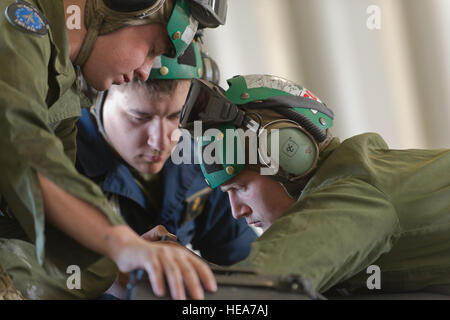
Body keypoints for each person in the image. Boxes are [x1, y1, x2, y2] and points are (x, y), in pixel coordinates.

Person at [0, 0, 227, 300]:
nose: (146, 71)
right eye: (152, 50)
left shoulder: (62, 90)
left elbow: (38, 220)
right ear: (126, 5)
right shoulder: (17, 23)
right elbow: (21, 143)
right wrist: (123, 244)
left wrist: (120, 264)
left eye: (174, 118)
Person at [179, 74, 450, 296]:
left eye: (240, 188)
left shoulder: (354, 195)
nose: (236, 211)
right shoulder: (369, 177)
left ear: (287, 156)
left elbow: (258, 291)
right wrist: (191, 266)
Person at [75, 40, 257, 270]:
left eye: (176, 117)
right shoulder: (59, 161)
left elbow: (243, 261)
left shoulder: (198, 159)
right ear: (93, 96)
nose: (161, 141)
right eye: (139, 118)